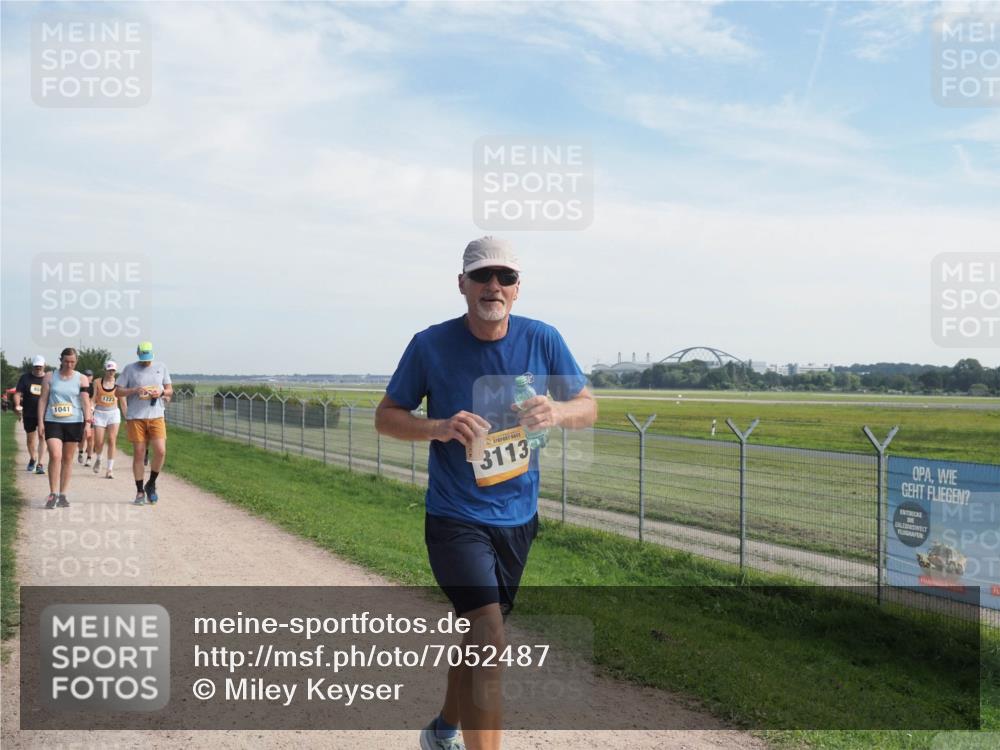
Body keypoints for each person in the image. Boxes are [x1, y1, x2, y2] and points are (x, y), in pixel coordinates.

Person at [375, 237, 597, 750]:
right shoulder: (430, 344)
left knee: (478, 636)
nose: (493, 286)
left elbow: (586, 405)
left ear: (518, 290)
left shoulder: (543, 339)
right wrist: (439, 427)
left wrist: (559, 413)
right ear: (462, 285)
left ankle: (442, 729)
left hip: (518, 517)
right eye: (481, 276)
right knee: (491, 638)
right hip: (455, 516)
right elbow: (386, 417)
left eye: (505, 278)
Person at [116, 341, 172, 505]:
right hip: (136, 417)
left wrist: (161, 391)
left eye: (148, 358)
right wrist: (134, 390)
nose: (146, 361)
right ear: (138, 354)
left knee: (160, 451)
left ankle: (151, 484)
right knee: (139, 453)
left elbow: (169, 390)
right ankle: (140, 491)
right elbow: (117, 391)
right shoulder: (129, 369)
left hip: (156, 415)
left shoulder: (161, 367)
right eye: (143, 358)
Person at [37, 348, 93, 509]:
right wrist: (40, 422)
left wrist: (88, 424)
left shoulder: (82, 379)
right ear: (60, 360)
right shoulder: (50, 376)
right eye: (66, 361)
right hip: (52, 421)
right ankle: (52, 493)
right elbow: (42, 400)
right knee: (55, 455)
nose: (69, 364)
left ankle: (63, 494)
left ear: (76, 362)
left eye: (72, 362)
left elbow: (85, 402)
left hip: (74, 422)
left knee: (68, 459)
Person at [14, 355, 48, 475]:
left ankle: (40, 463)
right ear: (33, 366)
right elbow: (18, 393)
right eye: (36, 366)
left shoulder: (48, 378)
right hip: (29, 413)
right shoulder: (25, 378)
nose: (38, 368)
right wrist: (18, 405)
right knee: (30, 439)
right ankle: (32, 458)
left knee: (42, 437)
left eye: (40, 366)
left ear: (44, 365)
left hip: (44, 414)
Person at [92, 361, 126, 479]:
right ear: (105, 370)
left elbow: (122, 402)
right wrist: (91, 410)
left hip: (113, 414)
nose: (111, 372)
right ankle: (99, 459)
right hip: (100, 413)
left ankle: (110, 469)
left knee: (112, 439)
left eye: (113, 370)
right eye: (109, 370)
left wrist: (128, 418)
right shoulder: (97, 382)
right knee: (99, 441)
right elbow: (94, 398)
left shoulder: (119, 384)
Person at [79, 369, 97, 466]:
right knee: (82, 436)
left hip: (91, 412)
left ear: (92, 376)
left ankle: (89, 458)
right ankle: (81, 452)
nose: (87, 377)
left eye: (89, 375)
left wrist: (92, 407)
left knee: (91, 436)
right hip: (80, 412)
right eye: (86, 375)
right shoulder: (79, 386)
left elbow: (94, 398)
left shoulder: (93, 387)